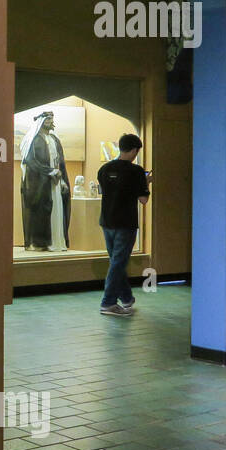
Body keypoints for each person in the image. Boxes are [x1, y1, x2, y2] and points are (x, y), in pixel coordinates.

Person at [96, 132, 151, 317]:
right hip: (126, 223)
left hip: (106, 221)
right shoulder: (136, 171)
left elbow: (107, 191)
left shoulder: (104, 169)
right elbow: (143, 200)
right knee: (118, 263)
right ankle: (108, 303)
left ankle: (126, 298)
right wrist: (146, 182)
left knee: (116, 262)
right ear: (135, 150)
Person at [19, 110, 70, 251]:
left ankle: (56, 243)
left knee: (57, 212)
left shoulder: (54, 139)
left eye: (51, 118)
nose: (50, 121)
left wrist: (62, 179)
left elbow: (59, 162)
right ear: (40, 121)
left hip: (55, 182)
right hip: (40, 185)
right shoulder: (34, 140)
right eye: (47, 119)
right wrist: (50, 171)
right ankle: (41, 244)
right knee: (41, 213)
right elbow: (31, 161)